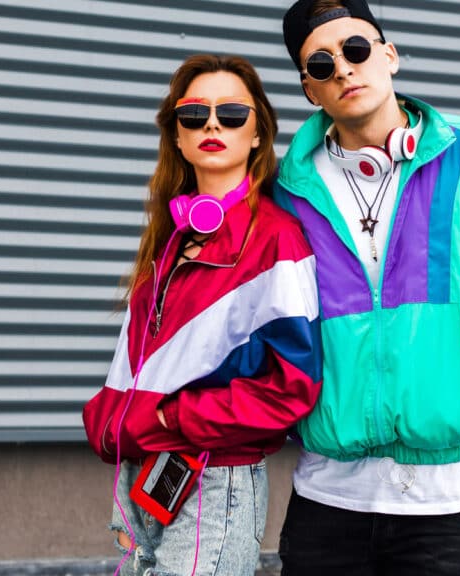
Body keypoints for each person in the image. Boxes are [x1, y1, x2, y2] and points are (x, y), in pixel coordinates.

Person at [273, 1, 460, 574]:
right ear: (309, 89)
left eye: (356, 48)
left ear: (389, 55)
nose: (343, 68)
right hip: (330, 490)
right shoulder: (288, 192)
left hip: (455, 491)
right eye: (320, 63)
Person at [82, 54, 323, 576]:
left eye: (232, 114)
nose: (212, 125)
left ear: (257, 134)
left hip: (214, 480)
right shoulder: (172, 237)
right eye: (194, 114)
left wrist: (171, 418)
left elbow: (293, 387)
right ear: (177, 134)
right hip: (145, 476)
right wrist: (116, 425)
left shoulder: (276, 239)